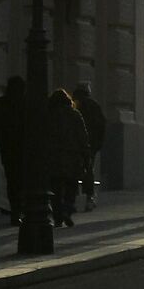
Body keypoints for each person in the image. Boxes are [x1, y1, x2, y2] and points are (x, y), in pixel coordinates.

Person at [46, 88, 89, 228]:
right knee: (71, 187)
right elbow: (83, 137)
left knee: (56, 189)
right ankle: (67, 210)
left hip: (54, 157)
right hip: (73, 157)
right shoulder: (75, 115)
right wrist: (86, 156)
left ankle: (58, 216)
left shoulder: (50, 116)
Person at [0, 75, 27, 225]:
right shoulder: (25, 103)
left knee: (12, 180)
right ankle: (20, 210)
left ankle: (15, 211)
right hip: (23, 148)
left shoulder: (1, 102)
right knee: (23, 180)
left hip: (7, 147)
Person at [73, 82, 106, 211]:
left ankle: (72, 199)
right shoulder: (94, 106)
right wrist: (98, 144)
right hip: (89, 144)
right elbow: (101, 126)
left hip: (75, 144)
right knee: (88, 170)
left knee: (74, 170)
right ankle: (89, 198)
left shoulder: (74, 104)